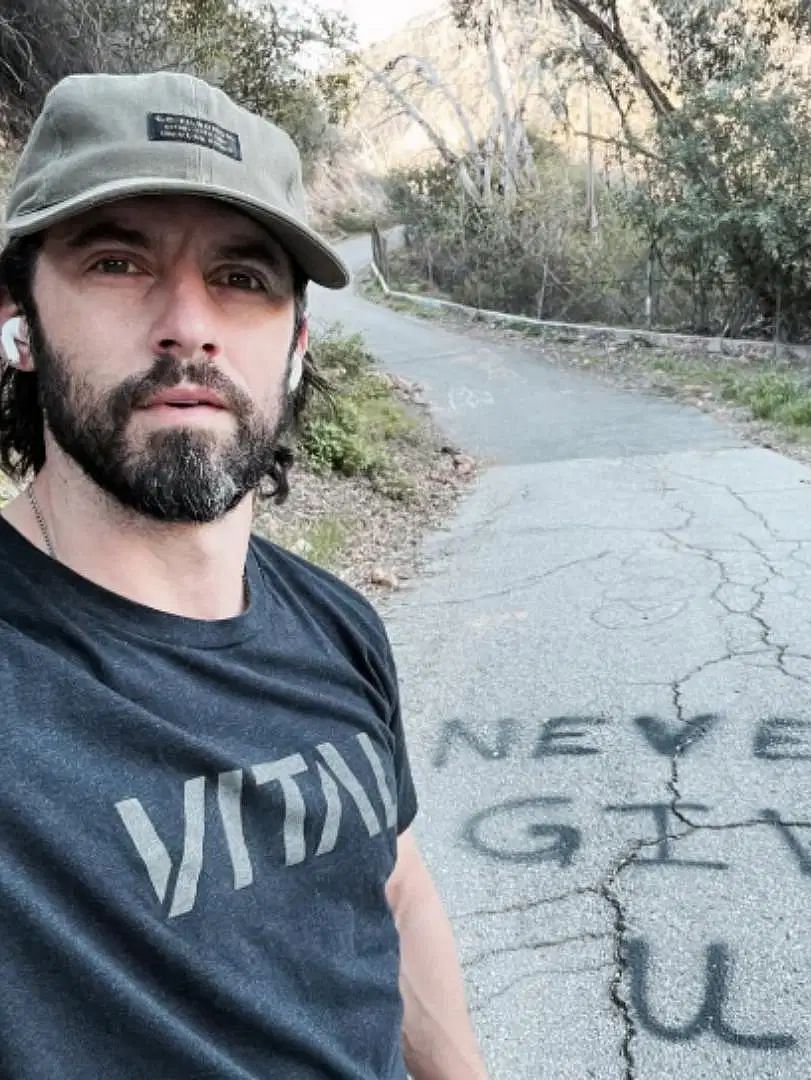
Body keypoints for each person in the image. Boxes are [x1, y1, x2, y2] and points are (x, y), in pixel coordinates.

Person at [0, 71, 487, 1077]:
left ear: (296, 345)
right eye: (117, 260)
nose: (189, 322)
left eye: (243, 276)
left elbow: (390, 883)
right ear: (17, 322)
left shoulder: (337, 625)